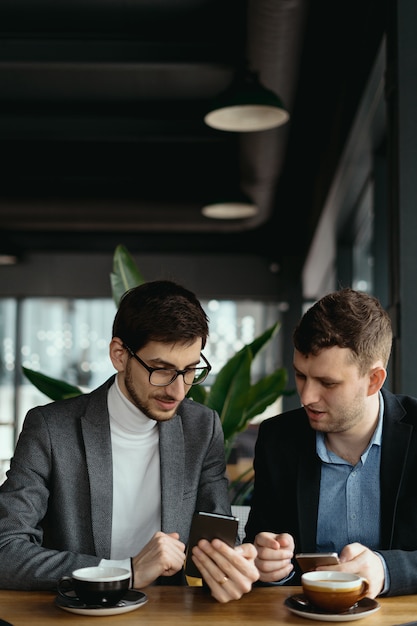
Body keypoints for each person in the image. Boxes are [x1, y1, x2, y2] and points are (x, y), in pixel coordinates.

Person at [0, 280, 258, 603]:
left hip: (169, 619)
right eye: (161, 370)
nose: (179, 391)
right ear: (119, 355)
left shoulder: (202, 429)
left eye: (190, 370)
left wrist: (232, 564)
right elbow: (5, 549)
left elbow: (215, 543)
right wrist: (124, 571)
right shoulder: (51, 430)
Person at [245, 287, 417, 598]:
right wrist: (268, 566)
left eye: (327, 383)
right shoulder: (277, 440)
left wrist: (385, 569)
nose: (307, 396)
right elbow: (260, 547)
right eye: (300, 376)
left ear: (374, 380)